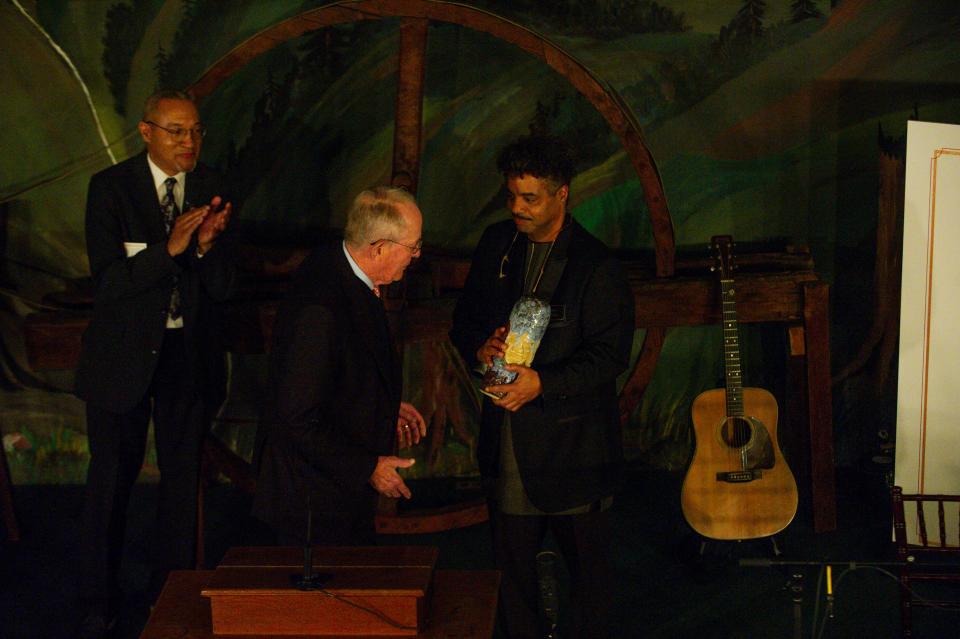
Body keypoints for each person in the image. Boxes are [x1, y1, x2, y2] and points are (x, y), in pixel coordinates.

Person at [449, 135, 635, 638]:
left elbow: (610, 356)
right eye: (512, 195)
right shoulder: (496, 244)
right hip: (508, 444)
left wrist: (543, 383)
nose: (517, 208)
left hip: (576, 453)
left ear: (562, 195)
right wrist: (480, 349)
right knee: (512, 579)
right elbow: (465, 321)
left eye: (530, 198)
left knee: (589, 583)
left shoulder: (596, 266)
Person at [74, 89, 235, 638]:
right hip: (120, 361)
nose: (188, 142)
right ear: (146, 132)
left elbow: (224, 287)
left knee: (181, 481)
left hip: (185, 358)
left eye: (194, 131)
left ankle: (173, 595)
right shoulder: (111, 189)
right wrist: (168, 251)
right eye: (175, 131)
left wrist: (207, 248)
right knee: (110, 481)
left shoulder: (213, 189)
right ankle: (98, 599)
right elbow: (109, 283)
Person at [252, 186, 427, 546]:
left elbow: (341, 374)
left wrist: (381, 407)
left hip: (333, 494)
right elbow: (297, 417)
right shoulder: (320, 309)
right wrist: (369, 467)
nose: (416, 255)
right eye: (412, 246)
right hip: (311, 506)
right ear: (379, 248)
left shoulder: (342, 268)